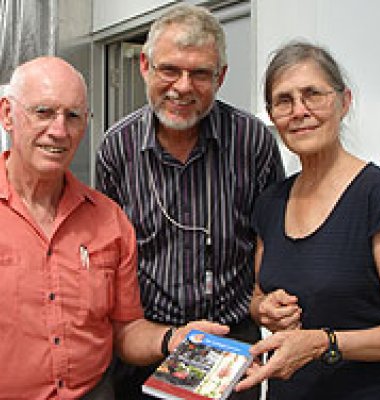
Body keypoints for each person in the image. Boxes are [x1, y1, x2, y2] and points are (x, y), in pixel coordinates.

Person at [0, 56, 229, 399]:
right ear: (7, 115)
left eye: (73, 116)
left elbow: (126, 330)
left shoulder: (109, 220)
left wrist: (173, 338)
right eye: (43, 112)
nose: (59, 131)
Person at [95, 3, 284, 399]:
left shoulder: (253, 142)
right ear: (145, 65)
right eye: (170, 70)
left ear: (221, 77)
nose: (183, 87)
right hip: (149, 346)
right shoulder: (117, 148)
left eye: (200, 73)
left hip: (232, 350)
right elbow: (109, 257)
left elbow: (271, 242)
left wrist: (267, 303)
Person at [235, 41, 380, 399]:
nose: (299, 111)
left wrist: (323, 343)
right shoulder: (270, 203)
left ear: (344, 102)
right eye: (284, 101)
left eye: (312, 95)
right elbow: (258, 294)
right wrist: (264, 308)